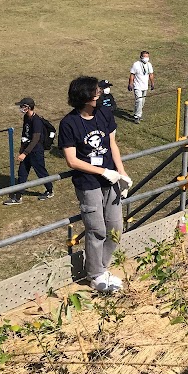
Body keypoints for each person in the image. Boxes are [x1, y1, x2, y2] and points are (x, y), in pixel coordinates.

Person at [59, 76, 132, 293]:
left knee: (116, 227)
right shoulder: (68, 123)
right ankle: (95, 275)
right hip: (88, 183)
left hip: (111, 181)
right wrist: (103, 171)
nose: (99, 94)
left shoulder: (104, 113)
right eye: (95, 91)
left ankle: (102, 268)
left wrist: (122, 173)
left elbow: (112, 144)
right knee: (97, 229)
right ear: (83, 96)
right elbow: (72, 160)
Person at [4, 98, 54, 205]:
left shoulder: (36, 121)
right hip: (27, 150)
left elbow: (36, 138)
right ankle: (18, 197)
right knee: (22, 172)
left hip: (35, 151)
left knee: (41, 172)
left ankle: (49, 190)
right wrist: (22, 148)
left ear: (28, 107)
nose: (21, 108)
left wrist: (25, 153)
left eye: (23, 106)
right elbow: (25, 134)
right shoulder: (26, 117)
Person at [128, 51, 155, 124]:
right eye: (144, 56)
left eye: (147, 56)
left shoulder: (149, 65)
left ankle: (138, 113)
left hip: (145, 86)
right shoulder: (136, 64)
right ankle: (137, 116)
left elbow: (151, 74)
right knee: (139, 101)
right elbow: (132, 75)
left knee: (142, 102)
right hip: (137, 86)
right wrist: (130, 84)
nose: (146, 58)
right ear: (141, 57)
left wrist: (152, 83)